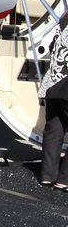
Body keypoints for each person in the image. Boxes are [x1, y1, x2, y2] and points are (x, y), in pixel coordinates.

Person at [38, 10, 68, 187]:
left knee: (54, 129)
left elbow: (52, 46)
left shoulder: (65, 17)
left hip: (53, 82)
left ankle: (48, 175)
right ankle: (64, 179)